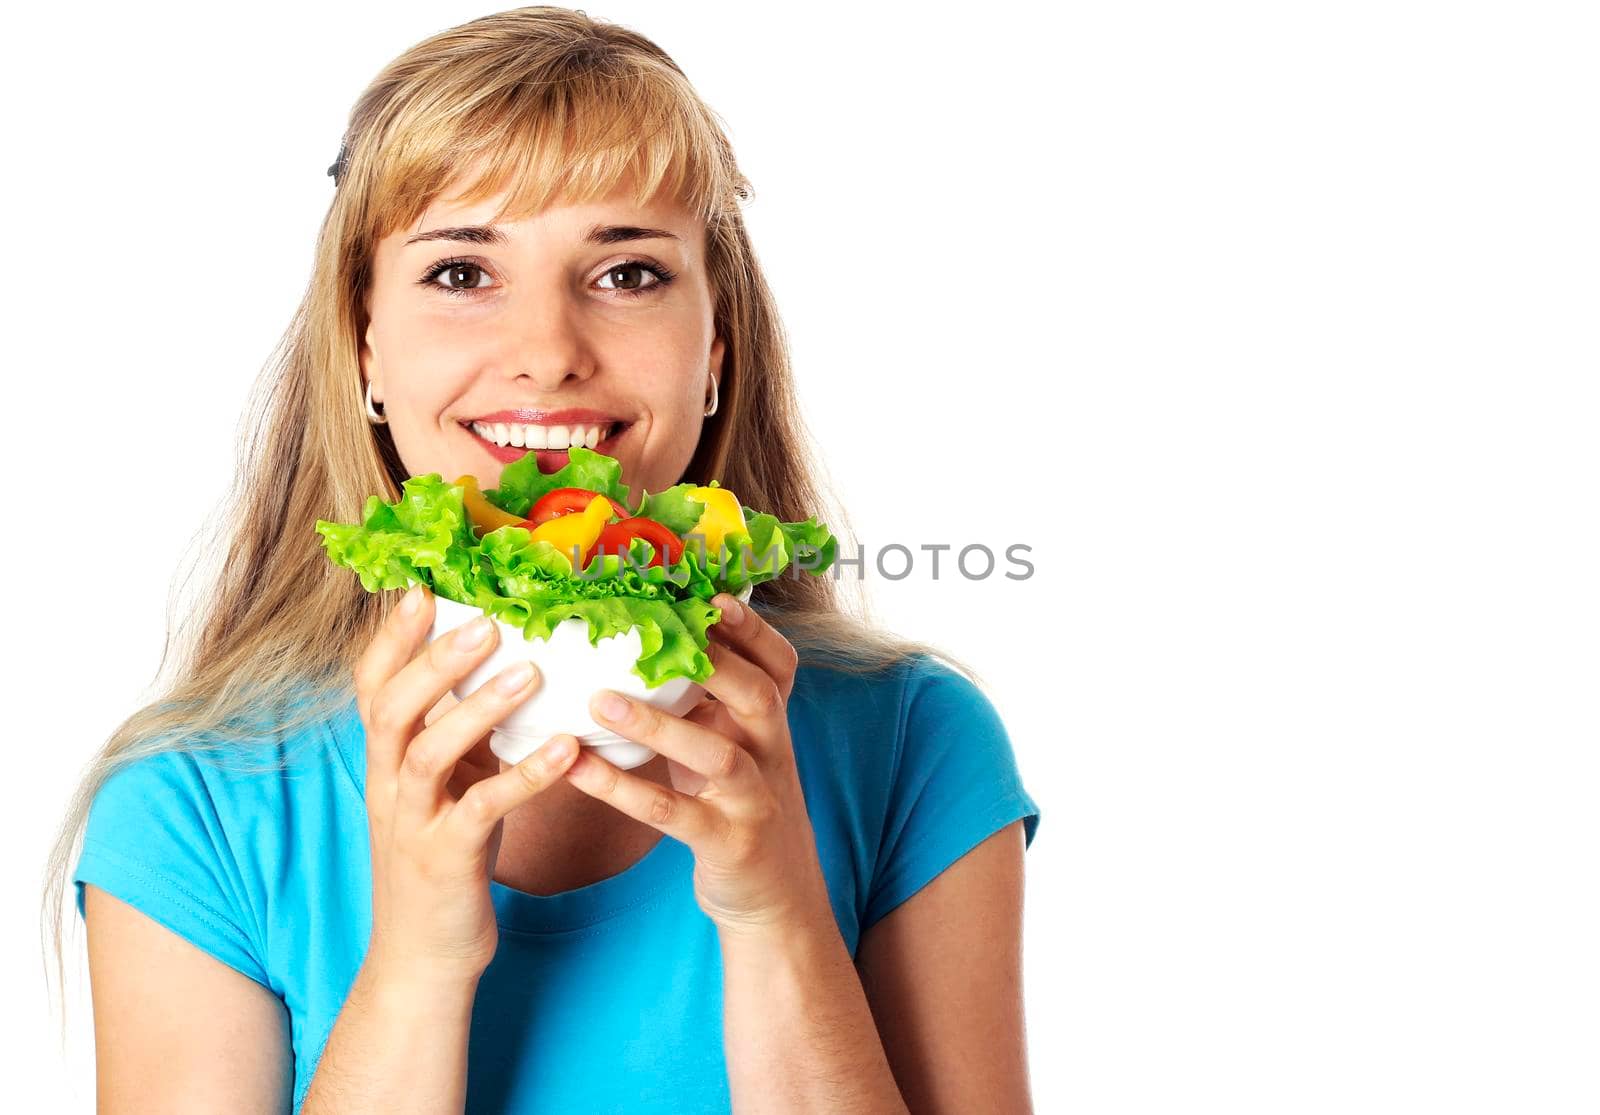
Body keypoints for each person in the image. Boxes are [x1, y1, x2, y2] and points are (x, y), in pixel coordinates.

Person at [41, 7, 1041, 1112]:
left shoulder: (911, 742)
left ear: (713, 356)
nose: (548, 354)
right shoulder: (197, 806)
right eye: (463, 272)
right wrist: (418, 962)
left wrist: (776, 920)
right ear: (366, 349)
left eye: (626, 274)